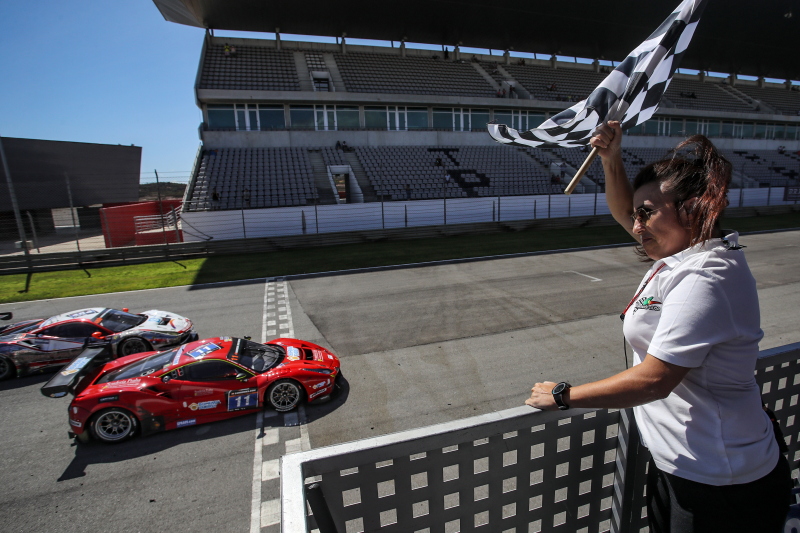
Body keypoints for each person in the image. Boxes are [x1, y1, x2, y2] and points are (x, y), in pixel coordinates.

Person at [525, 121, 792, 533]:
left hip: (722, 483)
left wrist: (564, 396)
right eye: (636, 215)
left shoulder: (706, 276)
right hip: (686, 466)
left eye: (646, 214)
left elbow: (655, 380)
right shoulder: (686, 254)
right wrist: (611, 161)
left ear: (694, 208)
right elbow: (625, 213)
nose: (635, 226)